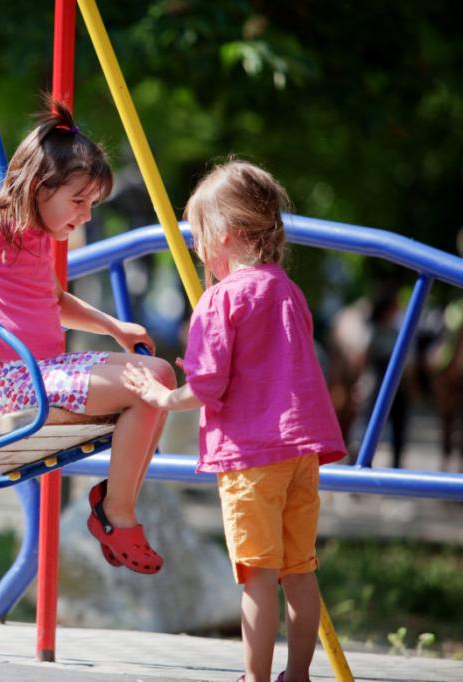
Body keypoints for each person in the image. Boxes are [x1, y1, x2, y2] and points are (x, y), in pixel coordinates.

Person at [0, 99, 176, 574]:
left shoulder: (37, 237)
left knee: (159, 376)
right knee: (148, 386)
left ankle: (114, 505)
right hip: (17, 382)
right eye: (79, 201)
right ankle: (115, 513)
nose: (86, 216)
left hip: (46, 372)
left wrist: (114, 327)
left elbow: (55, 302)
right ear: (39, 187)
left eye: (92, 205)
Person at [121, 159, 346, 681]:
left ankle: (256, 677)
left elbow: (206, 387)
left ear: (228, 234)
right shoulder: (287, 289)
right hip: (301, 453)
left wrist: (159, 393)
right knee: (301, 573)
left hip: (250, 458)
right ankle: (299, 675)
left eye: (200, 235)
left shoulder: (220, 299)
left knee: (258, 578)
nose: (198, 248)